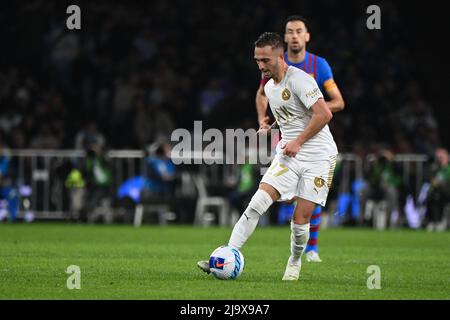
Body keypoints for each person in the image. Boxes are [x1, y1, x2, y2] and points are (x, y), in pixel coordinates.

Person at [198, 32, 338, 280]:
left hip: (319, 155)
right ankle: (226, 256)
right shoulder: (270, 87)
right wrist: (270, 125)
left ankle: (295, 261)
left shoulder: (301, 80)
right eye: (257, 60)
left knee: (300, 218)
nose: (261, 66)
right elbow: (292, 114)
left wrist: (298, 140)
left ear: (280, 56)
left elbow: (324, 114)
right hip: (289, 154)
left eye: (266, 60)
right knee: (257, 202)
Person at [256, 15, 345, 262]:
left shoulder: (319, 65)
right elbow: (262, 94)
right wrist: (263, 119)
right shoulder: (272, 63)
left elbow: (338, 102)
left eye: (299, 31)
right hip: (287, 135)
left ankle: (312, 248)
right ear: (284, 38)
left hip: (314, 134)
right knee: (290, 195)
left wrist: (311, 107)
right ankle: (301, 244)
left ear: (307, 36)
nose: (294, 35)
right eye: (290, 31)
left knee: (308, 195)